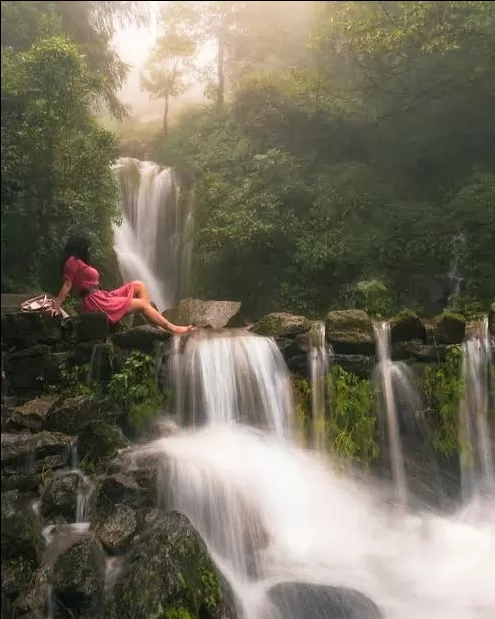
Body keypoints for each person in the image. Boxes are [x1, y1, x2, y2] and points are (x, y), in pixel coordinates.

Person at [54, 235, 194, 335]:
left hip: (101, 296)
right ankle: (173, 328)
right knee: (143, 304)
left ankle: (155, 323)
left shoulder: (79, 262)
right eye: (87, 248)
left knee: (138, 285)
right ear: (80, 247)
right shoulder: (72, 261)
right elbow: (67, 284)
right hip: (95, 302)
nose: (88, 250)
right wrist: (56, 306)